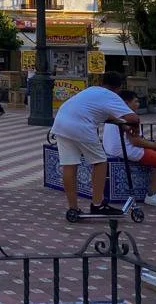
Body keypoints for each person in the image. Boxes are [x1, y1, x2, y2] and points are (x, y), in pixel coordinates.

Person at [51, 72, 140, 218]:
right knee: (100, 162)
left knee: (69, 164)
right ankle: (97, 204)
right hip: (80, 126)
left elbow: (103, 113)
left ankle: (73, 208)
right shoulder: (111, 95)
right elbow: (133, 117)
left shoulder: (92, 90)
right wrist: (134, 129)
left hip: (61, 122)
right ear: (118, 87)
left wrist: (122, 125)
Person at [102, 89, 156, 209]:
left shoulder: (114, 113)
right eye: (136, 101)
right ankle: (152, 195)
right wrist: (154, 145)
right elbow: (136, 141)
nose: (138, 104)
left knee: (152, 147)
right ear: (127, 103)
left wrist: (153, 145)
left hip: (114, 148)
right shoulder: (128, 117)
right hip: (127, 150)